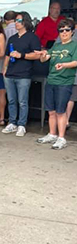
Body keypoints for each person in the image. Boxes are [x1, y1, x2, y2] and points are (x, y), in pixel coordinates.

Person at [35, 18, 77, 150]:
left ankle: (61, 137)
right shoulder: (56, 46)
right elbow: (45, 59)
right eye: (61, 30)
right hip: (51, 80)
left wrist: (64, 64)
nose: (64, 32)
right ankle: (52, 134)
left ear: (72, 31)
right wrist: (42, 54)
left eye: (67, 30)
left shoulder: (74, 45)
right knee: (51, 111)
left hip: (64, 82)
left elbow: (76, 62)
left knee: (61, 111)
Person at [2, 12, 41, 137]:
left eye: (18, 20)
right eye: (16, 21)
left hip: (24, 74)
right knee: (11, 100)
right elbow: (8, 54)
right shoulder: (12, 38)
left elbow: (37, 54)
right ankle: (12, 122)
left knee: (22, 101)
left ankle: (21, 124)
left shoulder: (32, 37)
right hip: (10, 73)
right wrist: (5, 68)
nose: (16, 23)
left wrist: (22, 55)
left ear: (25, 22)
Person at [0, 11, 17, 126]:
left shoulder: (2, 31)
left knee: (2, 92)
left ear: (5, 20)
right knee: (16, 94)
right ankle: (14, 119)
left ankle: (2, 118)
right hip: (16, 66)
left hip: (2, 64)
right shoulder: (20, 31)